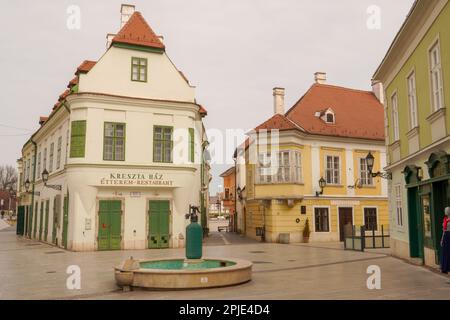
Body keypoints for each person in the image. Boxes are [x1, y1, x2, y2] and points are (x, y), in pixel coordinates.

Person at [440, 207, 450, 273]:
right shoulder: (445, 219)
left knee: (449, 252)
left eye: (447, 210)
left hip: (449, 235)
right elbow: (444, 230)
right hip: (445, 236)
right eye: (445, 210)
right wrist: (442, 239)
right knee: (445, 252)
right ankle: (445, 268)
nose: (445, 211)